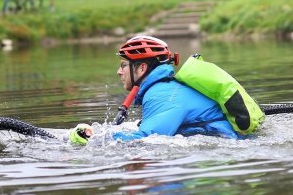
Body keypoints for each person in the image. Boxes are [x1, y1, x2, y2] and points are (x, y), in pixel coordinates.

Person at [69, 35, 239, 144]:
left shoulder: (162, 95)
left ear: (142, 68)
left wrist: (93, 139)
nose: (118, 72)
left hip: (229, 147)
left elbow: (147, 139)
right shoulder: (165, 89)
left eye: (123, 66)